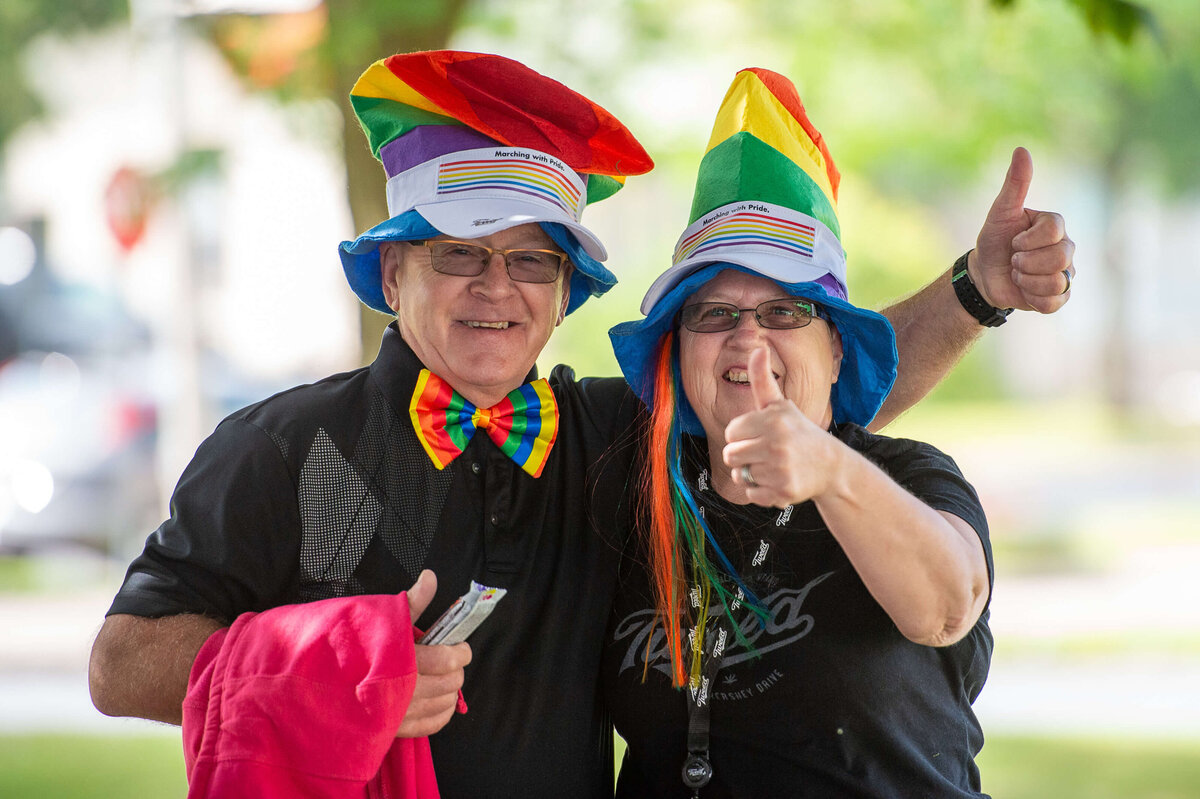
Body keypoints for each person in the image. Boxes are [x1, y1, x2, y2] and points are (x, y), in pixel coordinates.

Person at [88, 52, 1072, 798]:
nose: (496, 290)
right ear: (394, 273)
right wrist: (328, 668)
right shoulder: (284, 449)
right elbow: (120, 662)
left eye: (531, 263)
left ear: (566, 292)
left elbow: (776, 387)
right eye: (460, 256)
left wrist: (977, 292)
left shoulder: (604, 439)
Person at [603, 68, 1003, 797]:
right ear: (677, 350)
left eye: (786, 311)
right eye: (714, 313)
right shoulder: (632, 481)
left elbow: (948, 605)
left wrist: (827, 469)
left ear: (838, 347)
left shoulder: (909, 476)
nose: (747, 340)